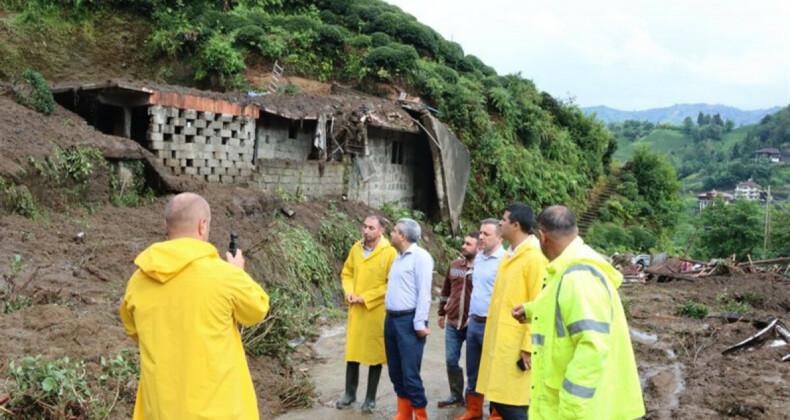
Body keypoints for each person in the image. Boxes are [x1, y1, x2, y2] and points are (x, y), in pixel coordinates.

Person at [119, 192, 270, 420]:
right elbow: (257, 310)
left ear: (166, 226)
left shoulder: (137, 282)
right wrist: (237, 273)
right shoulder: (224, 276)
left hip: (159, 411)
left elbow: (134, 331)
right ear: (202, 226)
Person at [511, 206, 645, 420]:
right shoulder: (569, 271)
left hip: (584, 412)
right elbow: (564, 307)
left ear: (542, 236)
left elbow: (592, 347)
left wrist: (571, 411)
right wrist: (531, 311)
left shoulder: (578, 277)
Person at [476, 203, 547, 420]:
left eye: (503, 220)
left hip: (517, 344)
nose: (500, 223)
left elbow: (539, 304)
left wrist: (528, 347)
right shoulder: (509, 253)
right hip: (501, 338)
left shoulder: (534, 257)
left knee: (513, 403)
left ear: (516, 226)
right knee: (498, 397)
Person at [337, 215, 397, 412]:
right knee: (352, 352)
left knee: (375, 355)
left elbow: (390, 284)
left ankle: (370, 398)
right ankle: (349, 394)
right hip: (356, 309)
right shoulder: (356, 248)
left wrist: (368, 297)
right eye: (364, 226)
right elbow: (347, 273)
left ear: (381, 231)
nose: (366, 231)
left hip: (375, 311)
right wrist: (350, 292)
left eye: (371, 228)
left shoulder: (389, 253)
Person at [454, 219, 505, 420]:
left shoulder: (505, 260)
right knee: (473, 369)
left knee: (494, 371)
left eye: (486, 234)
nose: (481, 237)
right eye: (481, 233)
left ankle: (496, 413)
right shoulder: (480, 258)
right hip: (474, 323)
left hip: (492, 325)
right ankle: (474, 409)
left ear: (500, 238)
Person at [385, 218, 434, 420]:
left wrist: (419, 323)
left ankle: (420, 415)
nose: (391, 234)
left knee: (410, 374)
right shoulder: (398, 257)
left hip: (409, 321)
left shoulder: (420, 257)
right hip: (391, 320)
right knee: (395, 371)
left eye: (394, 231)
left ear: (403, 236)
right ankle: (404, 414)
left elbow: (424, 293)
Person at [437, 232, 480, 408]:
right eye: (464, 243)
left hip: (473, 324)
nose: (464, 246)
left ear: (479, 247)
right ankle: (456, 395)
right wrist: (441, 312)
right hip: (453, 322)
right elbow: (446, 290)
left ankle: (473, 400)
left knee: (473, 365)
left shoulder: (483, 268)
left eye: (469, 244)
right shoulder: (455, 265)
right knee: (451, 360)